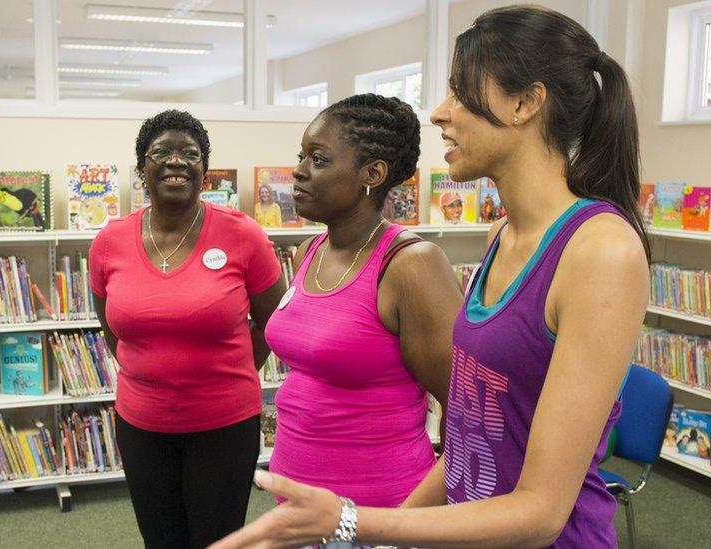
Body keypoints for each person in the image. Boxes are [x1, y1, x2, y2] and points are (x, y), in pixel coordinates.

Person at [212, 5, 649, 548]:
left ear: (524, 103)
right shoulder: (501, 238)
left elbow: (541, 513)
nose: (441, 113)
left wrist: (351, 521)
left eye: (461, 94)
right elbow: (472, 444)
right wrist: (373, 540)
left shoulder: (602, 251)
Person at [89, 109, 286, 548]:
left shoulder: (243, 235)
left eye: (190, 154)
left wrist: (224, 373)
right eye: (161, 152)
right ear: (142, 168)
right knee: (160, 538)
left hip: (224, 424)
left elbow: (273, 321)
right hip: (141, 423)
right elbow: (111, 327)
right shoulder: (109, 241)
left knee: (218, 539)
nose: (176, 162)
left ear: (204, 169)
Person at [264, 93, 461, 509]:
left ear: (372, 173)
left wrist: (415, 519)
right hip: (296, 498)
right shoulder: (308, 252)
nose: (297, 172)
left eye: (318, 159)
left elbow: (462, 406)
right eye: (301, 156)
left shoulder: (412, 265)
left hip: (379, 507)